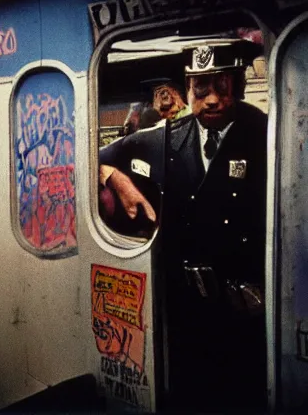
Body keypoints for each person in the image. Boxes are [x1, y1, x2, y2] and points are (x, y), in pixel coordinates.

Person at [97, 40, 267, 410]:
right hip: (185, 313)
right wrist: (116, 179)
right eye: (200, 88)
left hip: (246, 311)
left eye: (221, 88)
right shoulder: (168, 137)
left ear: (237, 86)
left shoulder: (266, 134)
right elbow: (92, 157)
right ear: (187, 89)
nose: (209, 100)